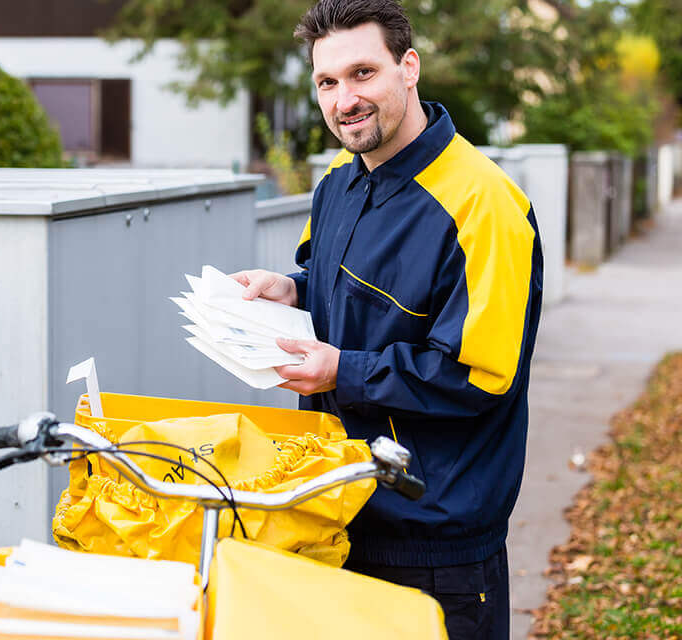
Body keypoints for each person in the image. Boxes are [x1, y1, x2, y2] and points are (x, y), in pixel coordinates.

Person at [231, 1, 543, 638]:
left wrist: (340, 371)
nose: (345, 99)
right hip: (335, 515)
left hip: (434, 544)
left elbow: (481, 377)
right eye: (327, 82)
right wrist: (292, 289)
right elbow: (334, 285)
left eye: (363, 73)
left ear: (409, 67)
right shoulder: (338, 183)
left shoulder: (487, 205)